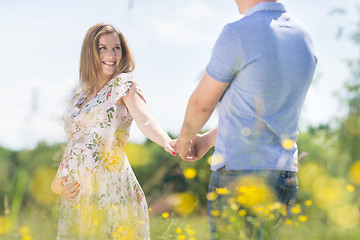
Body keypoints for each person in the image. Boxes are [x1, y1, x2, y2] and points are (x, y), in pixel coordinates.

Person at [174, 0, 317, 239]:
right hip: (285, 177)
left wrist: (184, 139)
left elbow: (201, 104)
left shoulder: (237, 33)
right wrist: (208, 140)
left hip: (240, 175)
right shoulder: (304, 36)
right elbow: (261, 110)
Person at [51, 23, 175, 240]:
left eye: (116, 48)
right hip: (77, 195)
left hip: (110, 189)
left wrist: (166, 141)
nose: (111, 54)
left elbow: (145, 119)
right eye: (103, 48)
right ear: (90, 52)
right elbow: (75, 143)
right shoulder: (80, 95)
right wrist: (57, 181)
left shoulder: (123, 84)